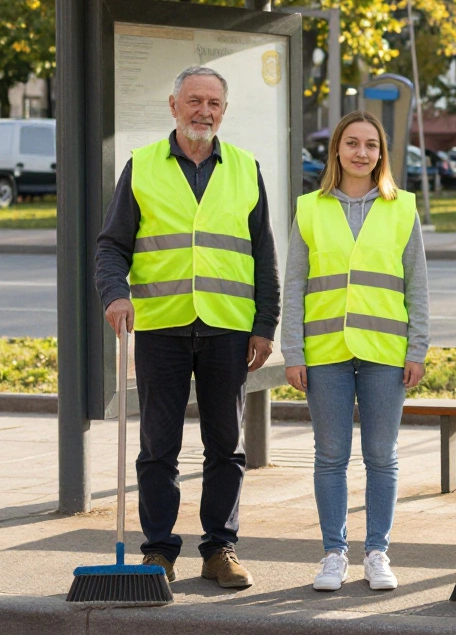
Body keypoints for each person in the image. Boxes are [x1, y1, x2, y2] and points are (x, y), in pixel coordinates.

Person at [95, 66, 279, 589]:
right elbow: (112, 246)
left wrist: (265, 324)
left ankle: (220, 549)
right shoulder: (142, 166)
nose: (204, 111)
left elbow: (263, 255)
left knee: (227, 446)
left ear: (224, 111)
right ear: (174, 105)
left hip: (228, 328)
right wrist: (115, 294)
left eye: (214, 103)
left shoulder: (245, 168)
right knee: (158, 447)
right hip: (162, 326)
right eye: (195, 101)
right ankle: (158, 550)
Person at [282, 111, 429, 592]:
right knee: (330, 456)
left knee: (381, 456)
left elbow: (417, 285)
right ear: (337, 150)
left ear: (381, 153)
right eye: (352, 143)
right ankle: (334, 553)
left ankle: (377, 552)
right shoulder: (310, 208)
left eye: (370, 145)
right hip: (325, 351)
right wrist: (293, 351)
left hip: (386, 351)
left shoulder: (402, 208)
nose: (361, 152)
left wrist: (417, 348)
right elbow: (295, 285)